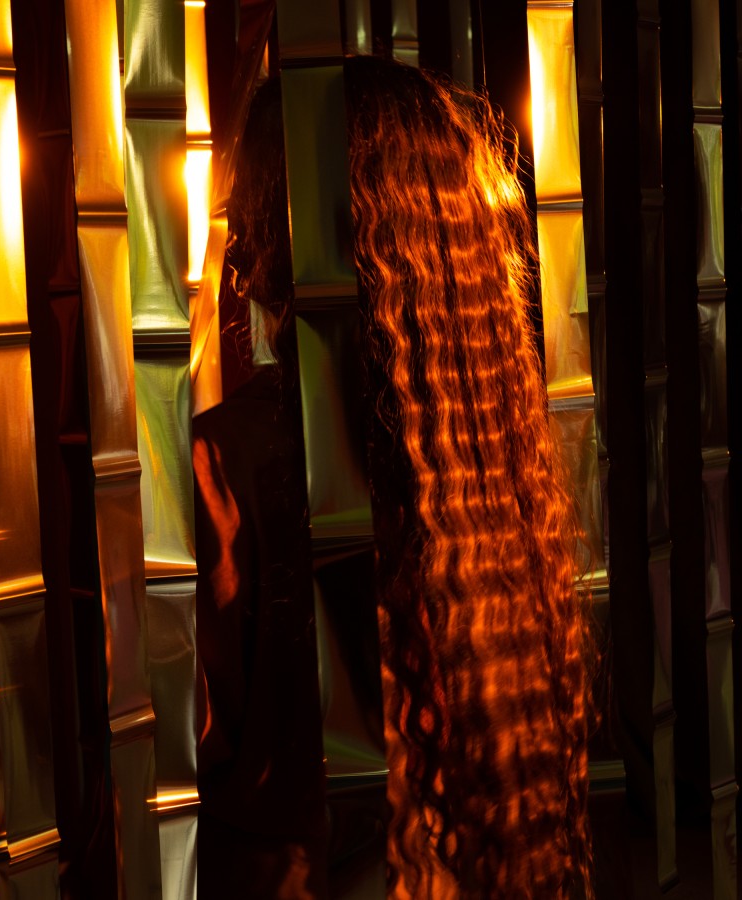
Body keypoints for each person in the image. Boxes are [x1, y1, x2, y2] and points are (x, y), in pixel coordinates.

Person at [195, 55, 594, 898]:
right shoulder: (481, 449)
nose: (236, 250)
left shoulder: (226, 464)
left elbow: (170, 746)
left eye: (251, 207)